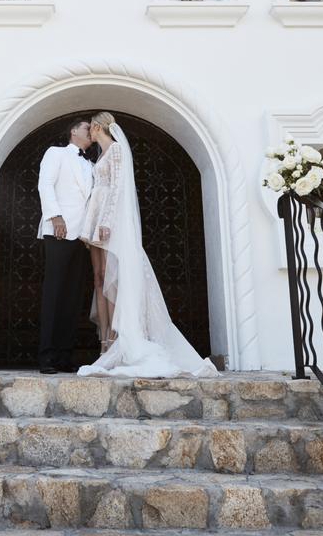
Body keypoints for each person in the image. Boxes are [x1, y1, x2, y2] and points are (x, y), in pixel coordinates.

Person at [78, 111, 218, 378]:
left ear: (98, 127)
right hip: (94, 219)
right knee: (98, 278)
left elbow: (118, 188)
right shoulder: (100, 155)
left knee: (112, 277)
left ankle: (116, 337)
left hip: (110, 220)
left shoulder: (117, 150)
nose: (89, 133)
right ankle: (104, 340)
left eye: (91, 128)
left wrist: (106, 221)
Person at [37, 117, 93, 373]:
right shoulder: (56, 153)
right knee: (54, 294)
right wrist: (55, 216)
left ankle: (64, 355)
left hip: (82, 237)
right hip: (58, 230)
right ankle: (46, 356)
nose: (91, 132)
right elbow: (45, 184)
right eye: (86, 128)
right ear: (73, 132)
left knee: (73, 297)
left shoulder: (91, 164)